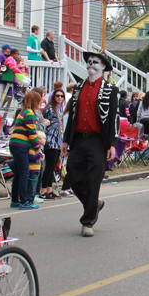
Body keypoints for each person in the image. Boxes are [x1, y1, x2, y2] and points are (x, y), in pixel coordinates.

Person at [61, 51, 119, 237]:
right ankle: (93, 203)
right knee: (72, 175)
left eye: (95, 62)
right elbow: (72, 116)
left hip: (97, 140)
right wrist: (66, 140)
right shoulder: (77, 88)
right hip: (78, 139)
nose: (91, 64)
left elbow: (113, 118)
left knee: (93, 180)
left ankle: (87, 221)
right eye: (89, 61)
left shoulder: (110, 89)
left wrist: (112, 144)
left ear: (103, 67)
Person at [9, 89, 43, 210]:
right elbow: (32, 133)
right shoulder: (29, 113)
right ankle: (24, 201)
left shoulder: (23, 112)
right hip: (21, 145)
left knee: (18, 173)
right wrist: (37, 148)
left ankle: (15, 199)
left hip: (15, 144)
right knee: (25, 173)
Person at [41, 89, 65, 199]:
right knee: (49, 166)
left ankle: (49, 189)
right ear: (53, 97)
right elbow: (44, 123)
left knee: (53, 165)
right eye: (57, 96)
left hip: (57, 140)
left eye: (61, 96)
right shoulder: (49, 109)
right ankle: (43, 190)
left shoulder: (60, 109)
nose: (59, 98)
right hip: (50, 139)